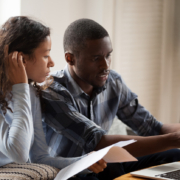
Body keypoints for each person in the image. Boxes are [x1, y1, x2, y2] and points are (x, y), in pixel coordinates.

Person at [41, 18, 180, 180]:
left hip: (106, 163)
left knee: (173, 156)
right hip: (72, 171)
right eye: (96, 58)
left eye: (108, 56)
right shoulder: (51, 91)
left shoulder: (113, 81)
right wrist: (172, 139)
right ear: (70, 58)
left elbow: (151, 127)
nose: (106, 65)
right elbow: (97, 143)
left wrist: (174, 137)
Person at [0, 16, 106, 180]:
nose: (52, 62)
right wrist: (21, 89)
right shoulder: (23, 93)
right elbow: (19, 154)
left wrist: (83, 162)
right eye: (45, 56)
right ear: (21, 59)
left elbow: (40, 158)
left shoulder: (32, 95)